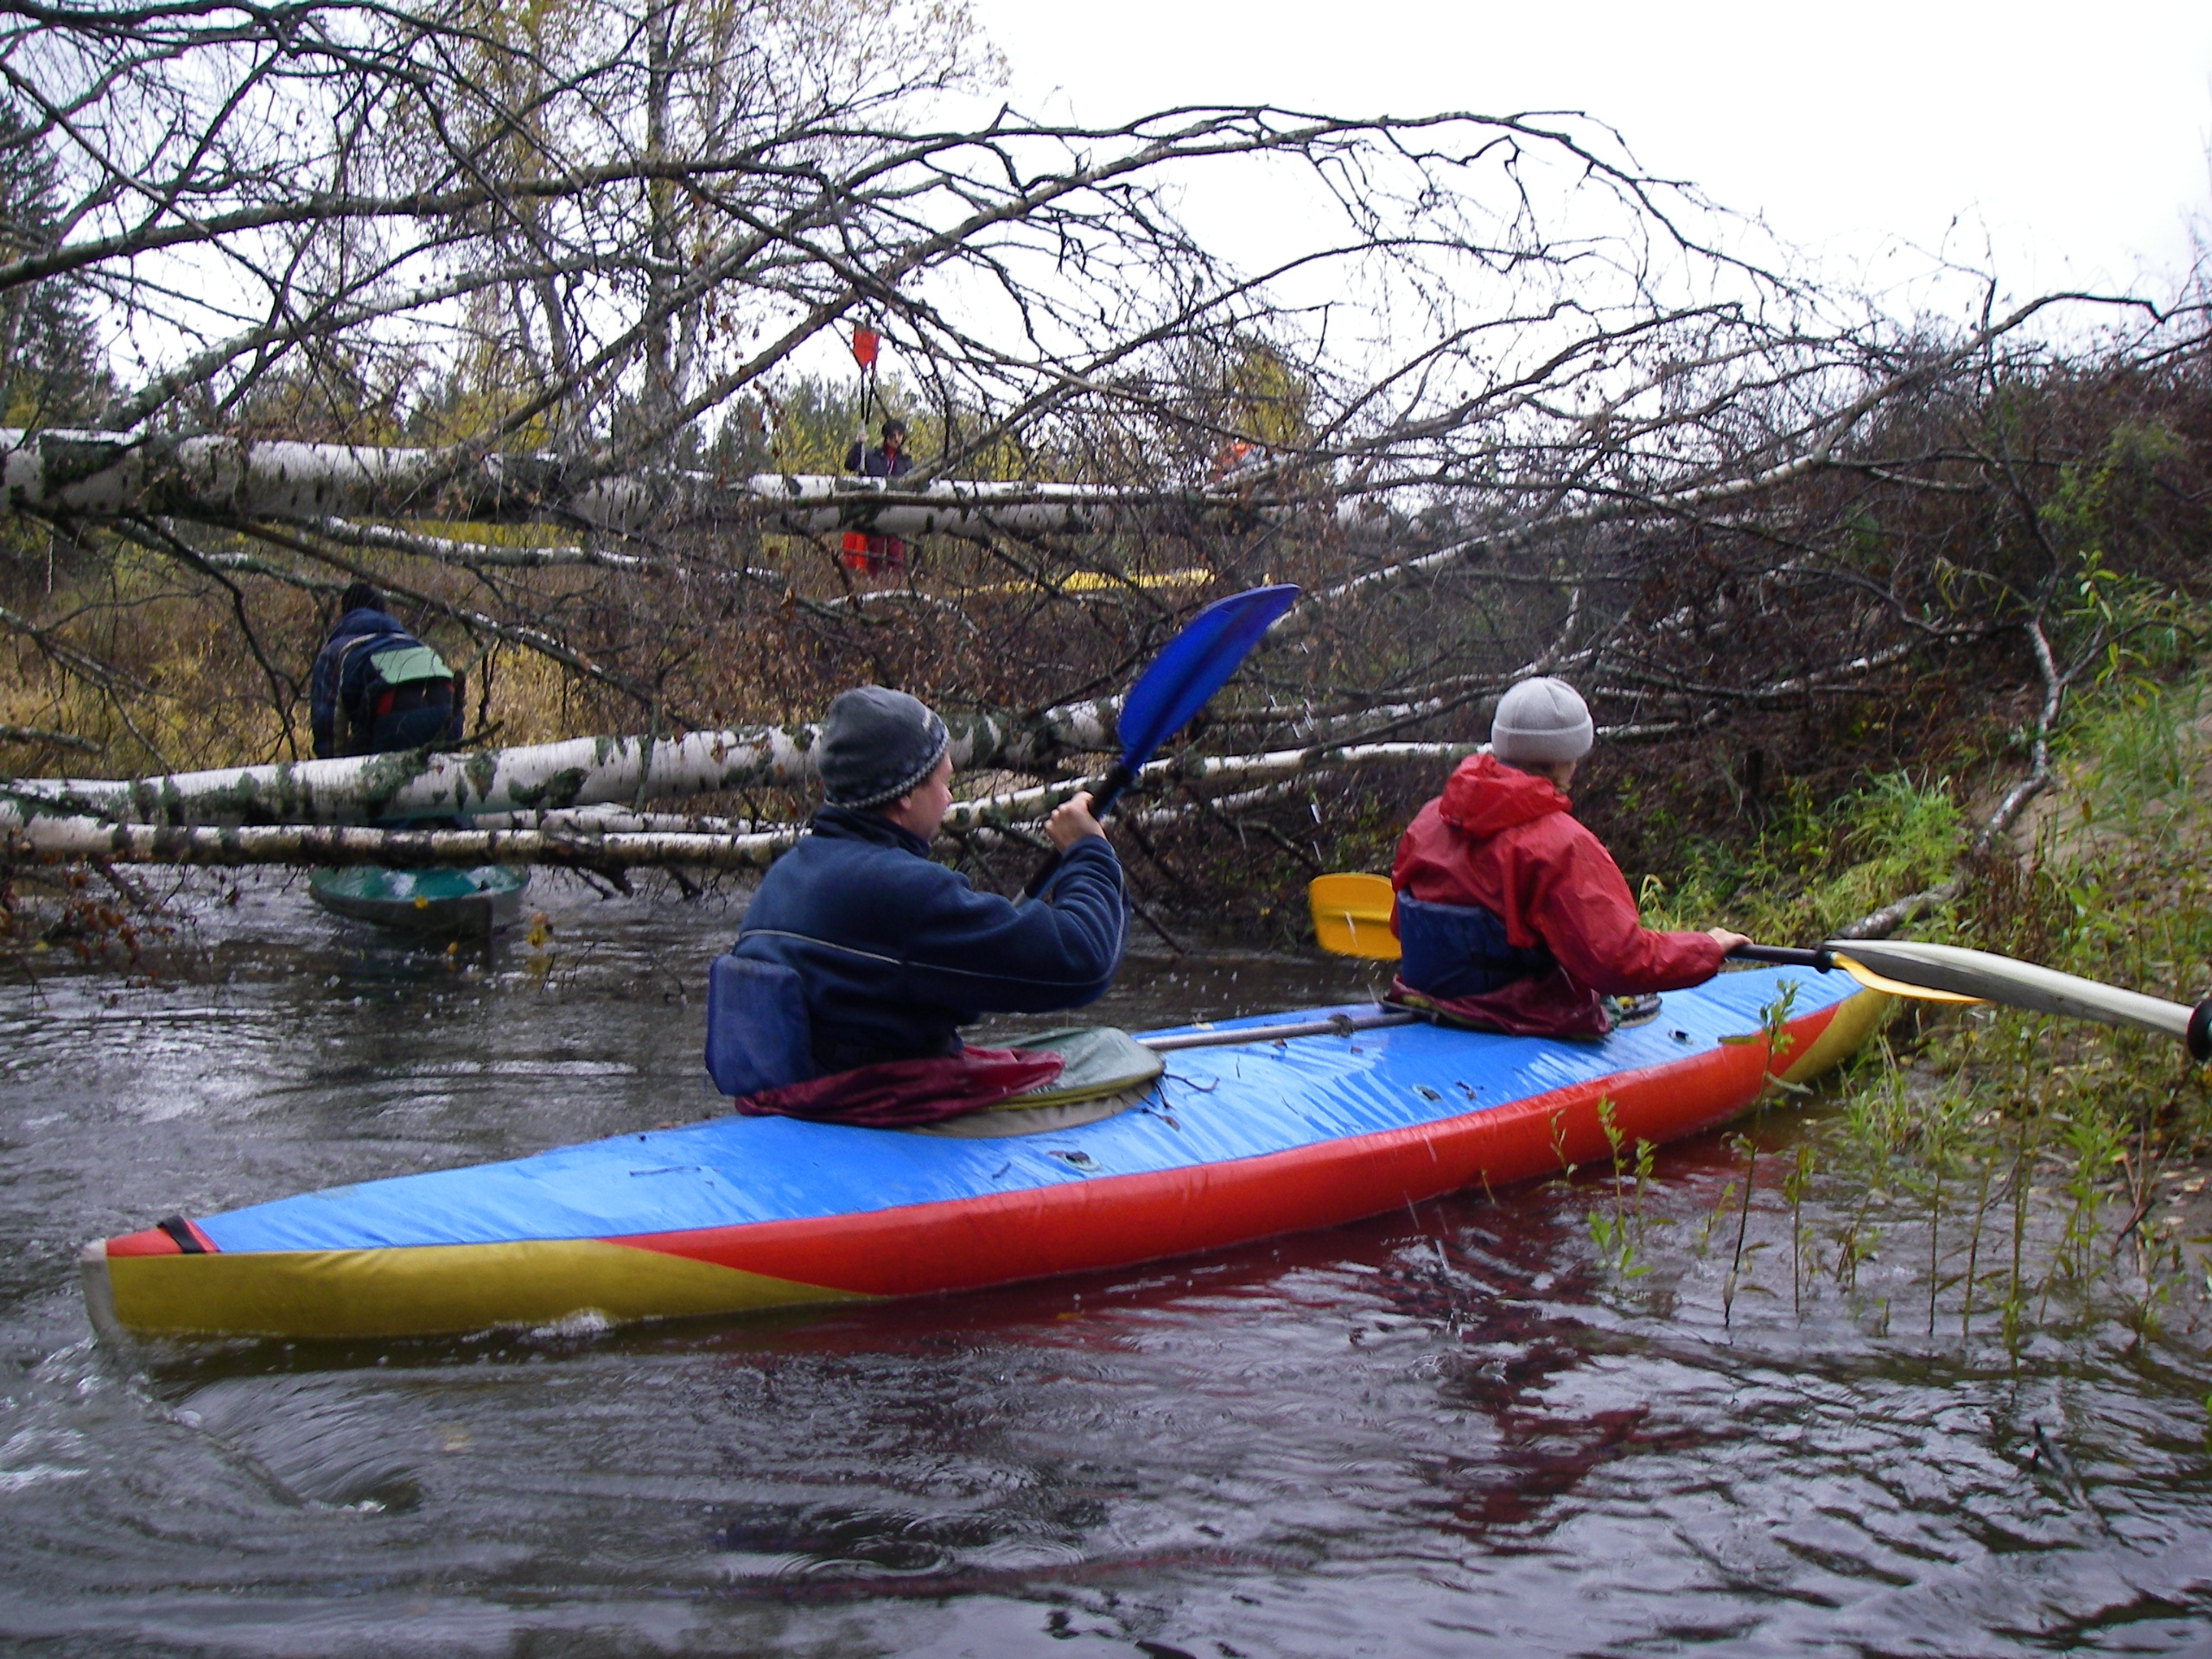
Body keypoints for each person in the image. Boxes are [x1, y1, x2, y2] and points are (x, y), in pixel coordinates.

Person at [732, 685, 1128, 1078]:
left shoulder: (784, 876)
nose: (949, 797)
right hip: (873, 1106)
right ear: (905, 794)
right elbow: (1086, 960)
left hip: (795, 1098)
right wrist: (1088, 850)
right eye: (942, 781)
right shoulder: (906, 892)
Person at [1390, 676, 1749, 1039]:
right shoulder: (1562, 845)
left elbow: (1400, 927)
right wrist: (1706, 949)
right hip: (1517, 1017)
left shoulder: (1429, 820)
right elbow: (1617, 962)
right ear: (1567, 758)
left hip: (1427, 1001)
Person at [308, 582, 463, 759]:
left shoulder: (337, 650)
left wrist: (331, 766)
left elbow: (327, 721)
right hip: (450, 713)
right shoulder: (412, 642)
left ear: (346, 613)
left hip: (395, 722)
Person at [844, 416, 912, 479]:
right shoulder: (871, 455)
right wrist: (858, 444)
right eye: (892, 435)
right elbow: (850, 465)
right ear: (886, 436)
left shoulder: (906, 462)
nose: (896, 438)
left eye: (899, 434)